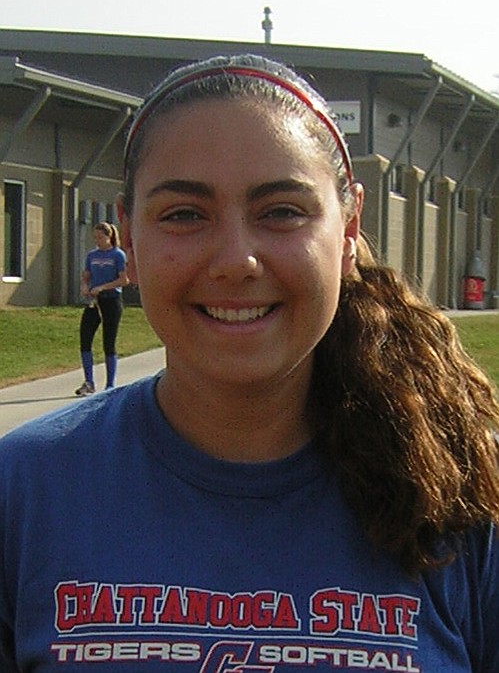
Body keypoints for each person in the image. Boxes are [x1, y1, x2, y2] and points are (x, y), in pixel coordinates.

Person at [0, 54, 498, 673]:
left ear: (348, 229)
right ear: (128, 232)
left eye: (281, 211)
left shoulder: (466, 492)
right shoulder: (21, 490)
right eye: (184, 214)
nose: (237, 260)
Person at [75, 221, 129, 395]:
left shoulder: (118, 255)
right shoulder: (92, 255)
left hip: (111, 301)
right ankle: (88, 381)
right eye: (95, 237)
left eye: (100, 237)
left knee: (109, 342)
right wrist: (84, 286)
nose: (97, 240)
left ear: (109, 236)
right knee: (85, 338)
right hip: (94, 301)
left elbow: (124, 280)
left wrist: (104, 287)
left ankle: (110, 385)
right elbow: (86, 276)